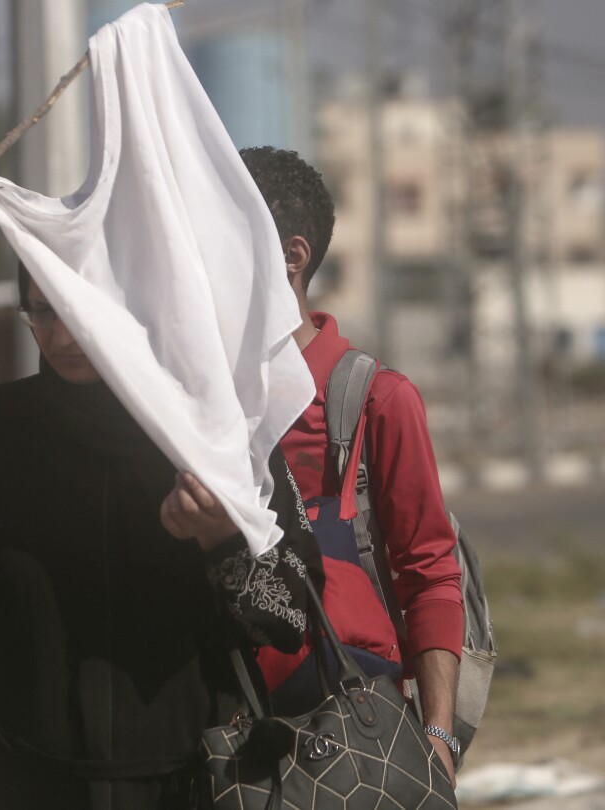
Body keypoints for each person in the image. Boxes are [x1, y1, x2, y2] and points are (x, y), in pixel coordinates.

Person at [0, 266, 323, 810]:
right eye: (42, 311)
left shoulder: (217, 431)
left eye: (78, 312)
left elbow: (294, 617)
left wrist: (221, 539)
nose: (60, 335)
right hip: (31, 778)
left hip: (194, 778)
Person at [239, 145, 465, 783]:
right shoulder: (199, 404)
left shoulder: (376, 400)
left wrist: (439, 740)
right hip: (227, 740)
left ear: (293, 257)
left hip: (351, 741)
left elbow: (429, 572)